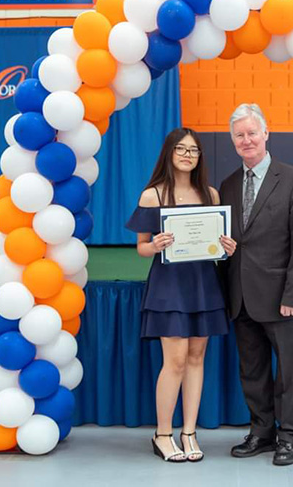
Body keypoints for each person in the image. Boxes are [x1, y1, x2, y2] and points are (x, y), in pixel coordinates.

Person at [126, 127, 237, 463]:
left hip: (204, 285)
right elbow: (141, 248)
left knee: (196, 359)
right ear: (169, 152)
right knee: (173, 361)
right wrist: (154, 245)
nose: (188, 155)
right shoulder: (153, 195)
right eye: (182, 149)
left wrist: (225, 249)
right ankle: (163, 433)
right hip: (168, 287)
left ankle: (189, 431)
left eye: (194, 150)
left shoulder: (212, 195)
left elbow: (216, 248)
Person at [218, 103, 293, 466]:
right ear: (233, 140)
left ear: (266, 134)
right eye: (239, 135)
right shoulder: (227, 185)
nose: (246, 140)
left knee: (289, 373)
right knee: (253, 370)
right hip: (241, 297)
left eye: (251, 133)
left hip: (282, 298)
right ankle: (262, 432)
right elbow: (228, 240)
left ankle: (290, 437)